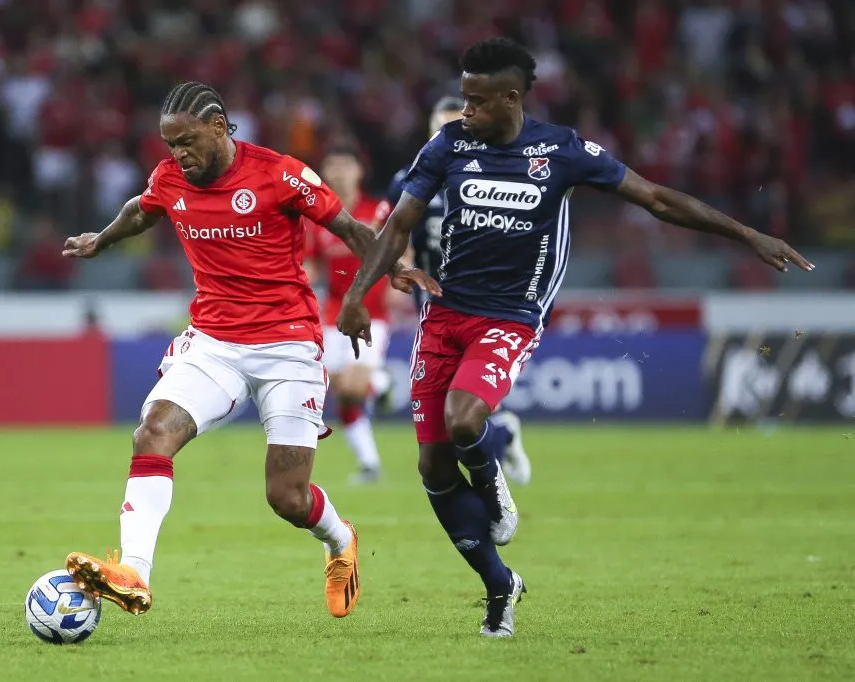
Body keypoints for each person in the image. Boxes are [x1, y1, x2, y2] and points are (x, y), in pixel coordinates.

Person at [336, 38, 813, 638]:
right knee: (432, 466)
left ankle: (497, 493)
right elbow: (397, 224)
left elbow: (657, 198)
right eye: (463, 98)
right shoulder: (449, 145)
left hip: (510, 316)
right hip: (443, 314)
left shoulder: (560, 150)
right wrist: (356, 296)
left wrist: (748, 234)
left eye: (477, 101)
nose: (467, 111)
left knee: (463, 421)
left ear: (511, 98)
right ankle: (499, 585)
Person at [60, 81, 437, 620]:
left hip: (288, 345)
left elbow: (350, 228)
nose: (179, 155)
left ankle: (340, 540)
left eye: (187, 141)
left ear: (219, 127)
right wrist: (102, 238)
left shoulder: (279, 173)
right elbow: (143, 209)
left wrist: (387, 273)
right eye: (171, 146)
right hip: (214, 342)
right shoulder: (171, 177)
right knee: (153, 432)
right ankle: (134, 572)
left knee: (287, 497)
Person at [380, 96, 532, 487]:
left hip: (483, 299)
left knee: (460, 402)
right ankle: (501, 435)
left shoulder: (489, 174)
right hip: (432, 297)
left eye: (454, 124)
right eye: (438, 125)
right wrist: (403, 268)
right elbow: (395, 229)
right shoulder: (411, 175)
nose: (446, 133)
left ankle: (497, 442)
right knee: (447, 399)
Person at [305, 142, 394, 484]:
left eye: (346, 165)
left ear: (360, 171)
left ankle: (380, 382)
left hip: (373, 313)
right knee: (341, 389)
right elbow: (310, 264)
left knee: (354, 390)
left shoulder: (379, 211)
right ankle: (370, 464)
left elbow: (404, 247)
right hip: (333, 314)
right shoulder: (317, 219)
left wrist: (402, 276)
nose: (339, 172)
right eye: (332, 165)